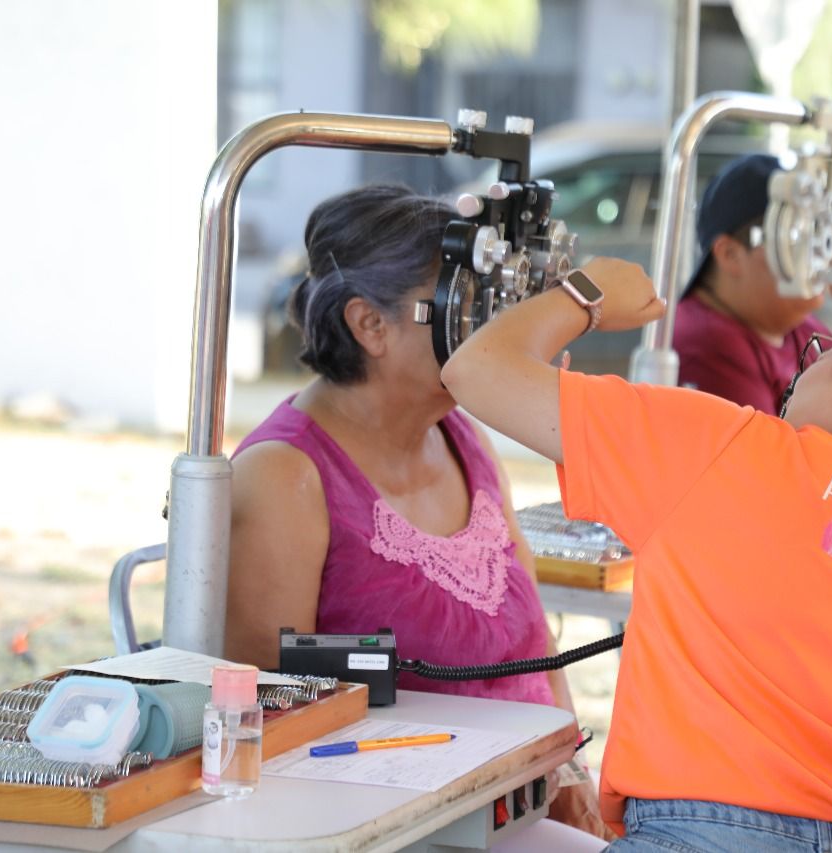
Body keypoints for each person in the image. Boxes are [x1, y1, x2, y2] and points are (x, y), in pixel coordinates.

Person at [442, 255, 832, 852]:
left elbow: (477, 370)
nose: (805, 367)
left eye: (822, 350)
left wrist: (584, 295)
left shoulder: (739, 447)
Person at [223, 184, 608, 844]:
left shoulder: (465, 437)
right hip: (402, 827)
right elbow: (268, 714)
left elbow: (534, 644)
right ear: (369, 325)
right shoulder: (284, 475)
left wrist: (567, 766)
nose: (490, 334)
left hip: (518, 803)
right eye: (463, 308)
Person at [673, 153, 832, 411]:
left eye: (815, 232)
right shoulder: (708, 346)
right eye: (792, 237)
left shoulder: (796, 325)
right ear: (730, 254)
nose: (817, 253)